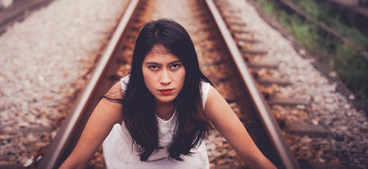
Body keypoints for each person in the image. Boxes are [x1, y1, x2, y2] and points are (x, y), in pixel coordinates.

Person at [60, 19, 276, 169]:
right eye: (153, 67)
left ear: (188, 67)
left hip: (184, 160)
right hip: (131, 162)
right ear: (139, 68)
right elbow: (77, 161)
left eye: (174, 66)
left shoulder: (203, 94)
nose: (165, 79)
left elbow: (254, 159)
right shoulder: (122, 96)